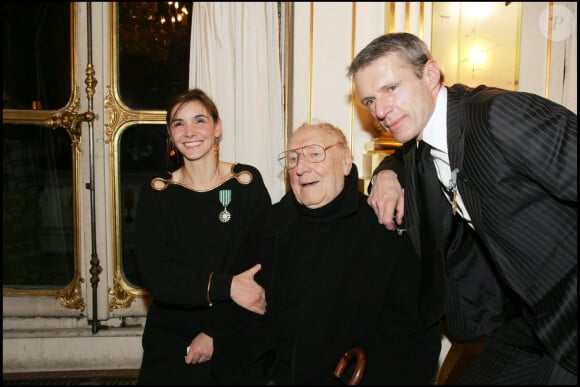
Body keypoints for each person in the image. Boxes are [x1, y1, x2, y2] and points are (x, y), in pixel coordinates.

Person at [349, 32, 577, 384]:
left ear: (430, 75)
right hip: (526, 325)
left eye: (391, 88)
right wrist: (387, 174)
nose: (379, 110)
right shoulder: (421, 146)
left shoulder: (497, 115)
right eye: (369, 100)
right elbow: (401, 156)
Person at [249, 122, 441, 384]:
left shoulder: (382, 228)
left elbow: (413, 333)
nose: (301, 168)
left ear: (346, 162)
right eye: (293, 158)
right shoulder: (269, 227)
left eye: (315, 154)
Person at [135, 88, 272, 385]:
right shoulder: (157, 194)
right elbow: (157, 276)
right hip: (172, 333)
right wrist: (226, 285)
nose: (189, 132)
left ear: (217, 127)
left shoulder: (246, 184)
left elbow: (260, 269)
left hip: (235, 326)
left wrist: (214, 332)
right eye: (178, 124)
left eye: (199, 120)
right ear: (171, 135)